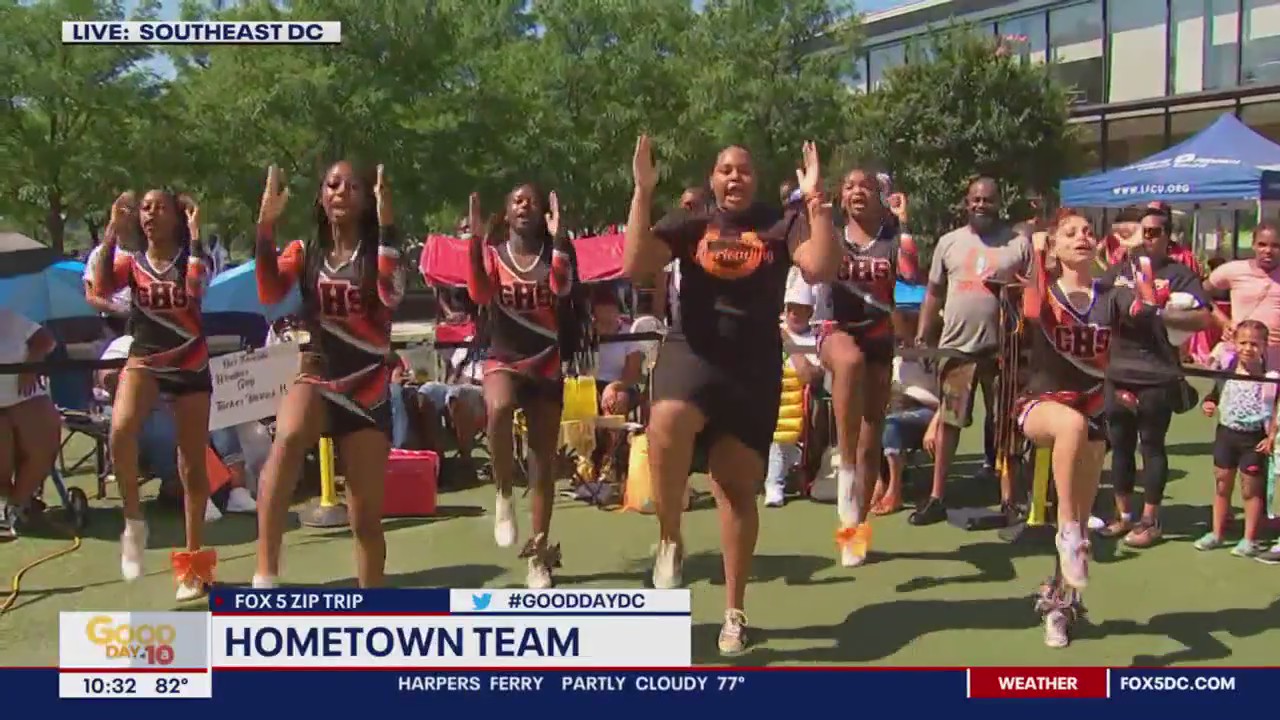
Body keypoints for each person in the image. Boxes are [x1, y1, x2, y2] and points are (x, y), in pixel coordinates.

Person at [623, 135, 839, 655]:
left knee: (736, 490)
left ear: (755, 180)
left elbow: (821, 267)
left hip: (751, 366)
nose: (734, 177)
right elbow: (636, 265)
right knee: (666, 420)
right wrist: (642, 191)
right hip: (692, 351)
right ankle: (670, 537)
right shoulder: (691, 220)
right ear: (713, 179)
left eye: (743, 169)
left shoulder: (779, 223)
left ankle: (734, 612)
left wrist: (816, 201)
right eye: (725, 170)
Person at [253, 162, 404, 588]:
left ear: (368, 200)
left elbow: (390, 295)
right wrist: (265, 224)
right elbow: (268, 291)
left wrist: (388, 227)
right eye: (333, 184)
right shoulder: (304, 252)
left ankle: (370, 603)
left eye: (353, 186)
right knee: (286, 440)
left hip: (368, 389)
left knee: (365, 520)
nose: (341, 192)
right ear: (320, 196)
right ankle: (265, 574)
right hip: (317, 375)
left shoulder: (380, 252)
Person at [93, 189, 215, 600]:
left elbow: (194, 291)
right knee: (120, 430)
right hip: (145, 357)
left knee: (191, 464)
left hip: (190, 362)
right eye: (145, 208)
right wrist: (112, 230)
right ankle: (133, 521)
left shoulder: (193, 257)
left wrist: (195, 236)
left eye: (160, 208)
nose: (150, 214)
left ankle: (193, 565)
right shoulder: (131, 263)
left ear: (177, 217)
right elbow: (102, 285)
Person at [1016, 209, 1128, 647]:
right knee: (1069, 425)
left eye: (1088, 231)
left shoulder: (1110, 295)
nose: (1082, 237)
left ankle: (1059, 607)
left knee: (1080, 528)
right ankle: (1066, 529)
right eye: (1070, 233)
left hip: (1094, 410)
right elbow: (1030, 309)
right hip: (1042, 403)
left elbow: (1150, 322)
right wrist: (1037, 253)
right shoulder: (1044, 289)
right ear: (1055, 246)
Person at [466, 183, 587, 589]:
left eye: (532, 201)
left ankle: (539, 555)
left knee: (542, 464)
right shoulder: (493, 255)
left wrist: (560, 238)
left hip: (546, 362)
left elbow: (562, 288)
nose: (524, 206)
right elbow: (478, 293)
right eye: (517, 200)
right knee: (498, 408)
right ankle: (503, 491)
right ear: (506, 212)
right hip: (504, 357)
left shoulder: (554, 255)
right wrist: (473, 244)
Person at [913, 177, 1031, 526]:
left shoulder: (1018, 245)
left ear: (999, 203)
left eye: (988, 199)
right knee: (950, 422)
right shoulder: (949, 242)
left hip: (1003, 350)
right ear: (966, 203)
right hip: (957, 347)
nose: (981, 205)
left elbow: (1034, 294)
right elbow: (933, 292)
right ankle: (937, 497)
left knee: (1006, 423)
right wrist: (923, 334)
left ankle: (1009, 500)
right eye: (976, 199)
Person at [1098, 205, 1212, 548]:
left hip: (1157, 374)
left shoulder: (1180, 274)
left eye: (1154, 232)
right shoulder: (1119, 271)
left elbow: (1203, 318)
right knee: (1120, 447)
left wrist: (1162, 313)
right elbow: (1095, 308)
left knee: (1151, 446)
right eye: (1140, 231)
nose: (1146, 237)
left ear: (1167, 237)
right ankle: (1123, 515)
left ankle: (1151, 520)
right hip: (1118, 372)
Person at [819, 166, 916, 566]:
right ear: (841, 197)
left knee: (871, 433)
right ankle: (843, 471)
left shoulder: (893, 241)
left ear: (881, 196)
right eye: (849, 186)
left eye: (866, 186)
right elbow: (811, 267)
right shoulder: (831, 234)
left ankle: (854, 530)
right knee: (849, 361)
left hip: (878, 337)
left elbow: (910, 289)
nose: (857, 191)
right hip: (835, 329)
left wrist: (905, 227)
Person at [1197, 321, 1277, 557]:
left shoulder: (1270, 378)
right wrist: (1209, 403)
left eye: (1255, 344)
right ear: (1234, 343)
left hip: (1253, 439)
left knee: (1250, 490)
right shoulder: (1227, 370)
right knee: (1222, 485)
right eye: (1243, 343)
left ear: (1265, 346)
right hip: (1226, 435)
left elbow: (1276, 411)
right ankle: (1216, 533)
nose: (1248, 348)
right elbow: (1214, 394)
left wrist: (1271, 437)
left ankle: (1249, 539)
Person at [0, 309, 60, 537]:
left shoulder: (7, 316)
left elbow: (45, 340)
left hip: (26, 396)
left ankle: (17, 504)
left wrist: (30, 366)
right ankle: (8, 505)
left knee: (42, 448)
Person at [765, 271, 822, 507]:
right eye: (791, 309)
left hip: (802, 400)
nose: (794, 315)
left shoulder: (816, 339)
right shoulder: (771, 331)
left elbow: (811, 375)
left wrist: (790, 345)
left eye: (800, 310)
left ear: (810, 312)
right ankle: (774, 482)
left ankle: (784, 481)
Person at [874, 339, 939, 516]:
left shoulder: (935, 349)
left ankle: (894, 491)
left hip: (927, 409)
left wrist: (935, 424)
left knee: (890, 425)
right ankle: (880, 481)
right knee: (873, 421)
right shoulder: (892, 350)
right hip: (896, 406)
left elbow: (949, 395)